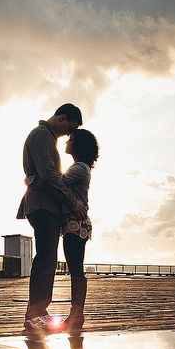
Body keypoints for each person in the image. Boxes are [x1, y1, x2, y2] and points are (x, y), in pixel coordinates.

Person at [17, 104, 87, 331]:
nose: (69, 133)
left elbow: (48, 175)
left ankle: (38, 311)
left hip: (46, 205)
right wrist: (72, 201)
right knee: (45, 259)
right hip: (43, 205)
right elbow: (48, 175)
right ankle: (34, 313)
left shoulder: (47, 138)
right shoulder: (42, 136)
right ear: (62, 117)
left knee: (47, 259)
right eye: (70, 127)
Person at [61, 129, 99, 331]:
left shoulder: (79, 168)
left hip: (76, 223)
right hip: (77, 223)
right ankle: (76, 313)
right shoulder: (81, 167)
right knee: (76, 269)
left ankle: (76, 314)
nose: (67, 140)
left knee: (76, 270)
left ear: (78, 145)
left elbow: (58, 183)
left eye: (71, 139)